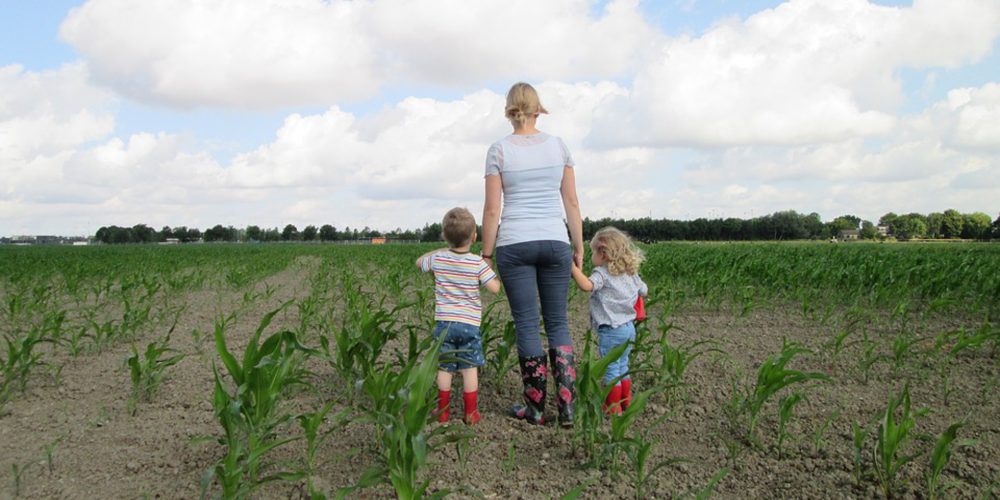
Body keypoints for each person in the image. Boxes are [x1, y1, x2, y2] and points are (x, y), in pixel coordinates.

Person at [480, 82, 584, 428]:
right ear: (538, 109)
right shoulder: (558, 147)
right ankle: (567, 408)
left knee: (526, 323)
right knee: (557, 322)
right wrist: (578, 245)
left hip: (514, 242)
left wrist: (487, 253)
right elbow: (571, 202)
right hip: (556, 241)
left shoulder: (499, 150)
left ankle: (536, 409)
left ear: (510, 111)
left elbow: (493, 210)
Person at [416, 207, 501, 425]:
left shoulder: (438, 259)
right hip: (469, 325)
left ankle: (443, 412)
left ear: (444, 236)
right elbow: (494, 289)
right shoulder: (476, 262)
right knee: (468, 367)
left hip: (444, 323)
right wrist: (494, 277)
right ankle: (470, 412)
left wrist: (439, 250)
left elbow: (419, 263)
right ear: (474, 237)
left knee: (444, 367)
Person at [570, 227, 648, 414]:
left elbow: (587, 286)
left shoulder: (602, 274)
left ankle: (612, 408)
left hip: (611, 330)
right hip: (629, 328)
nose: (592, 257)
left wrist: (572, 268)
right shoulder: (630, 273)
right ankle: (625, 402)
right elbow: (644, 291)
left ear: (603, 253)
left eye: (593, 252)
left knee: (611, 368)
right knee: (623, 366)